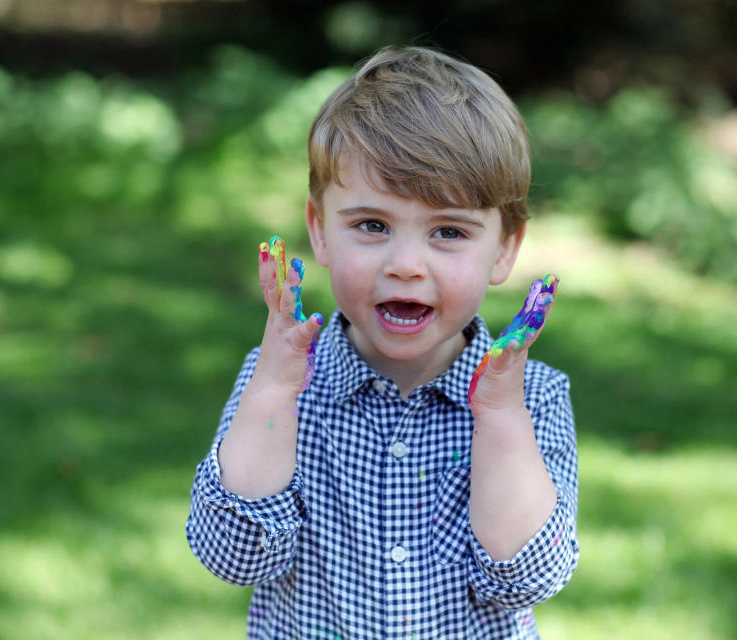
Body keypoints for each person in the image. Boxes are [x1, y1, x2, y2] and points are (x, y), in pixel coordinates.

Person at [186, 46, 579, 639]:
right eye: (372, 225)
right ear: (319, 231)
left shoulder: (536, 399)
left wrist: (499, 417)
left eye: (448, 231)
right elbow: (234, 557)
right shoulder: (282, 382)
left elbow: (527, 579)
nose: (405, 265)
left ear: (504, 249)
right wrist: (270, 393)